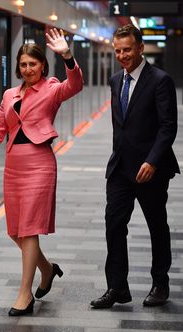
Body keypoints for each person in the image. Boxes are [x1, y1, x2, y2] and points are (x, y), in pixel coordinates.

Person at [0, 28, 83, 316]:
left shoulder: (52, 88)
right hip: (14, 166)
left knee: (29, 230)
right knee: (15, 231)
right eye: (23, 65)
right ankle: (47, 269)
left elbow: (75, 85)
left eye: (33, 64)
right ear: (18, 68)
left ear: (43, 65)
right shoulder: (9, 95)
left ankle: (24, 294)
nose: (28, 69)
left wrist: (67, 56)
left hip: (39, 165)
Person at [90, 24, 179, 309]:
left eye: (127, 49)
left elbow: (168, 127)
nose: (122, 55)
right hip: (120, 170)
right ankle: (117, 287)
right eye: (117, 50)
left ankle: (160, 283)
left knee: (156, 225)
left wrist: (152, 160)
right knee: (114, 224)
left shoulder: (160, 80)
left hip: (150, 169)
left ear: (140, 48)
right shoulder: (116, 80)